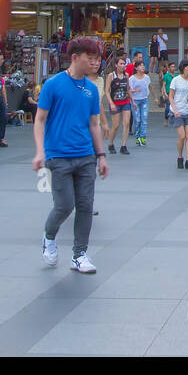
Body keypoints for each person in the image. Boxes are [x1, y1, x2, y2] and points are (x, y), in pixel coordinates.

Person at [33, 37, 109, 274]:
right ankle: (49, 236)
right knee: (65, 206)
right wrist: (40, 151)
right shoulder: (53, 85)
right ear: (75, 57)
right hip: (59, 157)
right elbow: (40, 119)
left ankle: (79, 255)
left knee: (85, 205)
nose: (95, 62)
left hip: (86, 156)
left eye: (97, 58)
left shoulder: (90, 90)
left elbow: (94, 124)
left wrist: (101, 155)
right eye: (91, 58)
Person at [169, 60, 188, 171]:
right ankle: (180, 157)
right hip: (177, 111)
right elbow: (171, 96)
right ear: (183, 68)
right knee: (182, 136)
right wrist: (175, 110)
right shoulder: (176, 80)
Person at [104, 54, 133, 154]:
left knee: (126, 123)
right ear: (116, 65)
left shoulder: (126, 75)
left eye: (124, 64)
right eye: (121, 63)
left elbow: (128, 89)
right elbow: (107, 91)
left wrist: (132, 101)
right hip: (115, 102)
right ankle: (111, 143)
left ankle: (123, 146)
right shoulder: (111, 76)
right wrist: (111, 103)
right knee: (115, 125)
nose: (123, 65)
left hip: (125, 102)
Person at [128, 61, 151, 146]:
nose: (143, 67)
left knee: (144, 119)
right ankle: (137, 136)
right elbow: (129, 90)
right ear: (136, 68)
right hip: (135, 101)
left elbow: (150, 87)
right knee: (137, 120)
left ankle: (143, 137)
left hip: (144, 100)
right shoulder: (132, 79)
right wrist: (134, 95)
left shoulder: (146, 77)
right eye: (140, 66)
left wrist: (155, 97)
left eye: (143, 65)